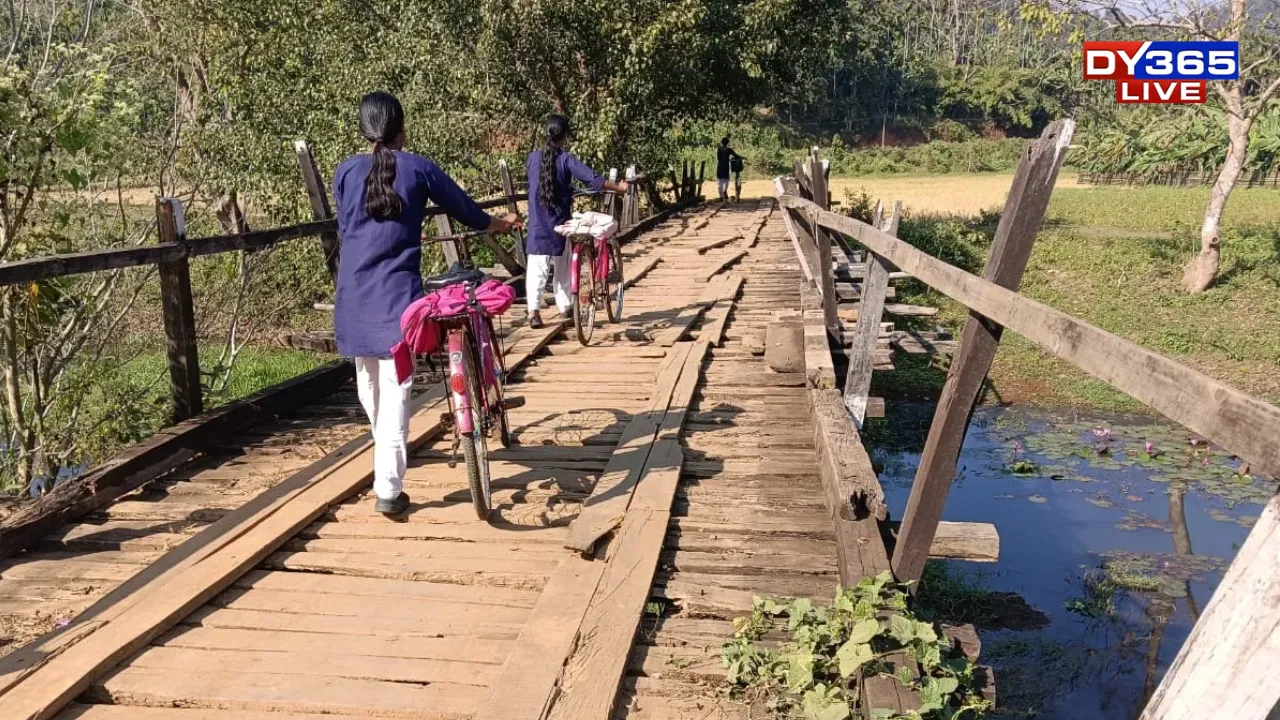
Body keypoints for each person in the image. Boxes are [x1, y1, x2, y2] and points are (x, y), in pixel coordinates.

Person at [332, 91, 519, 517]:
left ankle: (387, 478)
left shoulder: (345, 171)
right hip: (398, 299)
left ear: (364, 129)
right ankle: (388, 490)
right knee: (396, 398)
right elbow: (467, 211)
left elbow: (347, 226)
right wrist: (501, 224)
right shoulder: (419, 168)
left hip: (354, 298)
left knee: (373, 395)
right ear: (401, 127)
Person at [524, 114, 630, 328]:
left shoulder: (533, 158)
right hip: (560, 222)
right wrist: (619, 188)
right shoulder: (566, 159)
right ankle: (564, 307)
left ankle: (533, 312)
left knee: (537, 267)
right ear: (564, 137)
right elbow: (594, 179)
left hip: (537, 222)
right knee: (563, 263)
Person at [716, 137, 743, 202]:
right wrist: (742, 157)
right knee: (726, 180)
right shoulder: (729, 150)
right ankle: (725, 190)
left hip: (720, 166)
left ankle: (721, 196)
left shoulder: (719, 149)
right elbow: (736, 155)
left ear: (722, 142)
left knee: (720, 181)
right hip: (726, 166)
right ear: (727, 143)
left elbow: (718, 158)